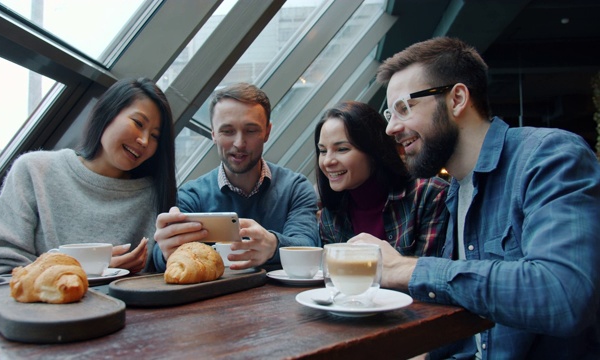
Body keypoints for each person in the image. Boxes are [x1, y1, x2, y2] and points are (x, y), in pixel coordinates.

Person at [349, 37, 600, 359]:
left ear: (456, 99)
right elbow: (481, 317)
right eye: (390, 113)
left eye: (403, 108)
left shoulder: (549, 156)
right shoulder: (457, 191)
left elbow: (564, 295)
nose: (390, 128)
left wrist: (403, 268)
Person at [0, 78, 177, 288]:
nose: (144, 140)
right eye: (138, 123)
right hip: (34, 315)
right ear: (107, 113)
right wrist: (83, 271)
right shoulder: (35, 170)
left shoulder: (154, 195)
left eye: (155, 136)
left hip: (121, 317)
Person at [153, 82, 319, 271]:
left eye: (251, 130)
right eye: (228, 131)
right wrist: (165, 253)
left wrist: (273, 245)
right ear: (214, 134)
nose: (239, 143)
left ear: (267, 132)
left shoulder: (295, 188)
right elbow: (162, 257)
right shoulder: (192, 195)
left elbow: (308, 245)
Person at [315, 100, 448, 257]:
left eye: (342, 149)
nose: (328, 161)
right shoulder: (331, 216)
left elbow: (430, 275)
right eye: (323, 151)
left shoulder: (428, 195)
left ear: (373, 151)